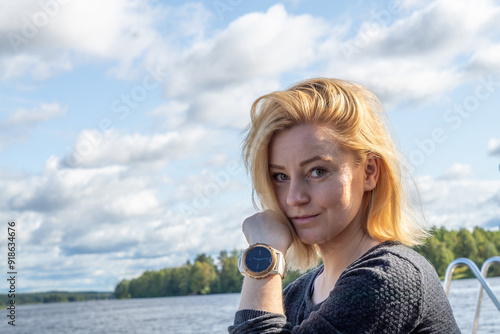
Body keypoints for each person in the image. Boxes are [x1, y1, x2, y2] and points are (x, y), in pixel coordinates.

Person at [229, 78, 460, 333]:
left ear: (369, 172)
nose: (294, 197)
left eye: (317, 171)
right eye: (280, 177)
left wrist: (264, 255)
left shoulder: (387, 278)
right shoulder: (293, 296)